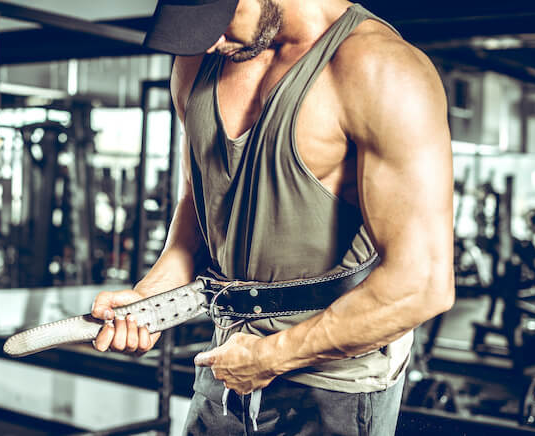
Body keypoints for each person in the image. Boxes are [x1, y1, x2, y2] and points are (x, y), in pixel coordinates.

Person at [91, 0, 455, 434]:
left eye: (218, 21)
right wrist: (151, 298)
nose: (211, 40)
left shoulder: (379, 68)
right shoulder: (199, 60)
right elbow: (201, 207)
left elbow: (422, 285)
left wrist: (272, 357)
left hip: (335, 385)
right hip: (228, 361)